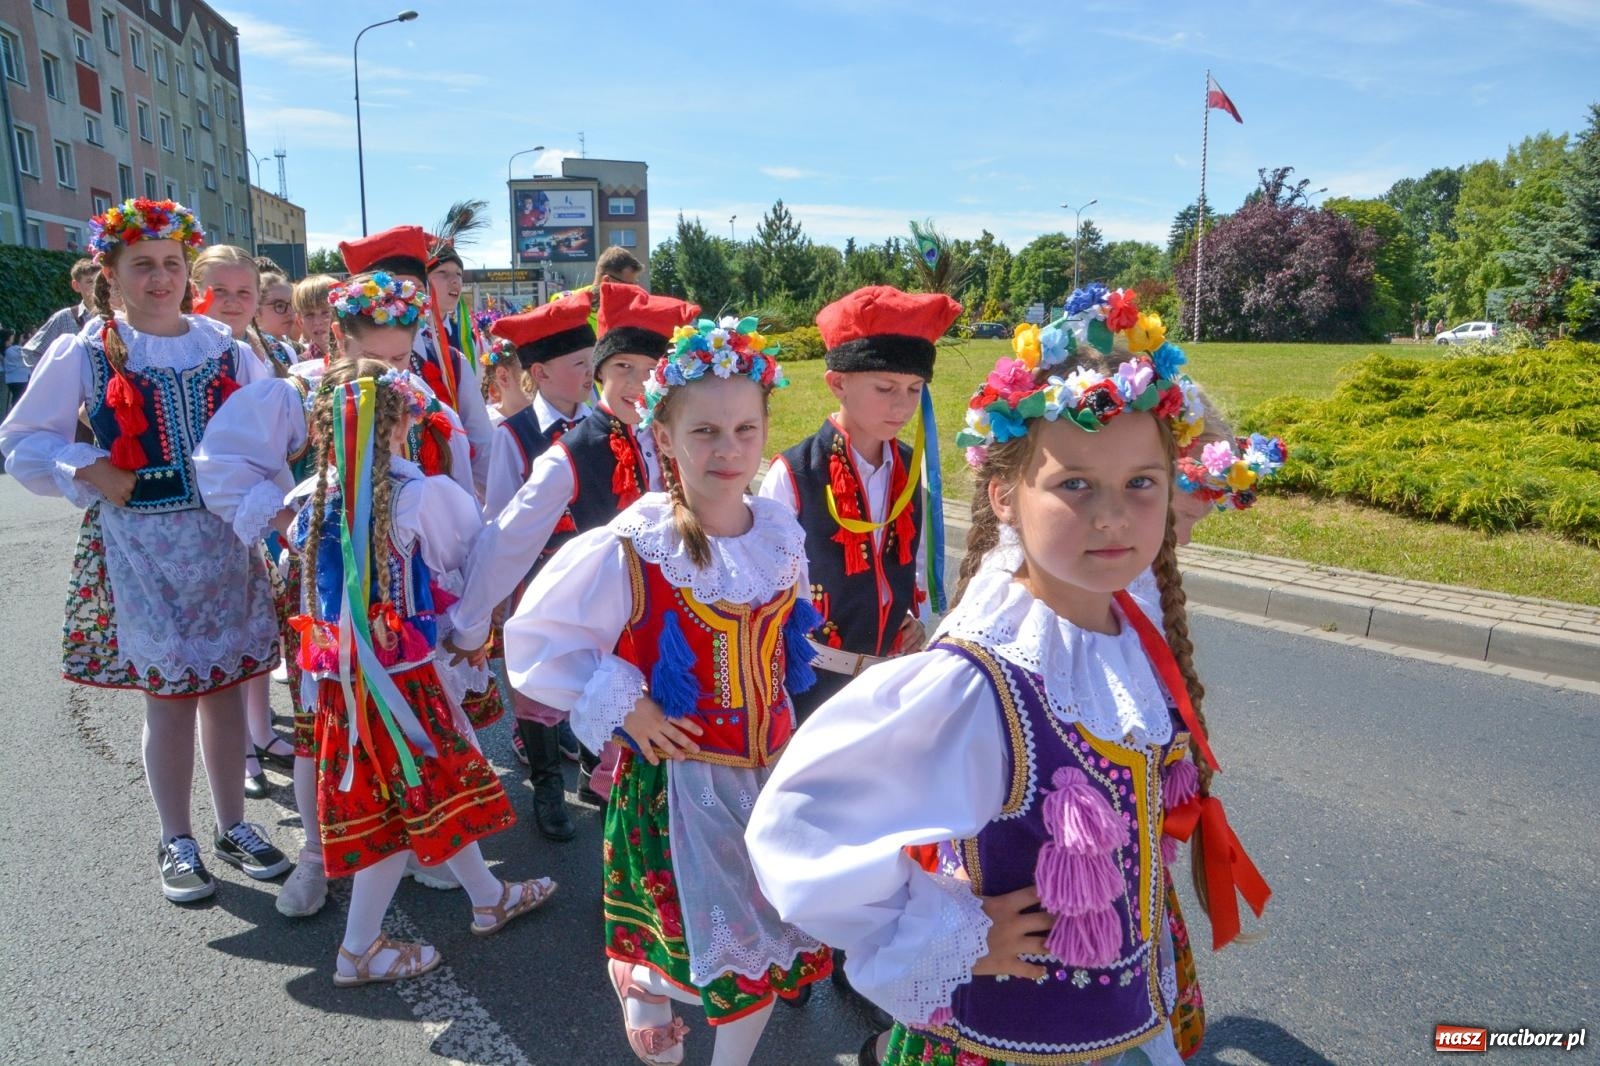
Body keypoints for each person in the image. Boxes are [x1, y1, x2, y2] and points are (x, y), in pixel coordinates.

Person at [746, 288, 1271, 1066]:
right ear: (1004, 497)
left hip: (1114, 1013)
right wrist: (950, 933)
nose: (1113, 516)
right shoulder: (979, 681)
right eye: (1075, 484)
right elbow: (800, 830)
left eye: (1141, 483)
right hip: (1003, 1035)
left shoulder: (1123, 636)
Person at [503, 316, 829, 1066]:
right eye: (705, 431)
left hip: (769, 776)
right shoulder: (639, 544)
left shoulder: (779, 532)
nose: (728, 450)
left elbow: (784, 644)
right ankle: (646, 979)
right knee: (730, 963)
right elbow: (538, 639)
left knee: (760, 952)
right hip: (680, 785)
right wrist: (628, 702)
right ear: (664, 436)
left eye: (745, 430)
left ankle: (661, 994)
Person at [0, 198, 288, 904]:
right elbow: (23, 440)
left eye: (170, 264)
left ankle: (232, 825)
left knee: (225, 690)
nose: (160, 279)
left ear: (188, 272)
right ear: (112, 274)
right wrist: (88, 466)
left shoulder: (226, 348)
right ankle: (175, 837)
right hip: (140, 545)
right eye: (142, 266)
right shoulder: (86, 350)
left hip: (222, 543)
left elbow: (272, 438)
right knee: (169, 697)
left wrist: (272, 508)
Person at [194, 269, 476, 915]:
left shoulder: (414, 398)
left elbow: (454, 476)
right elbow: (222, 465)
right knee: (323, 723)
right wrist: (290, 519)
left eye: (403, 358)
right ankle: (320, 854)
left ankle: (415, 841)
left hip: (401, 589)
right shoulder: (294, 395)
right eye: (378, 356)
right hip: (325, 595)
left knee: (407, 717)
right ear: (338, 341)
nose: (394, 373)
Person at [289, 359, 555, 986]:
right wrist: (470, 631)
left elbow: (310, 595)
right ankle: (358, 949)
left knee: (430, 790)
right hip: (401, 685)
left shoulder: (310, 501)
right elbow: (470, 560)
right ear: (400, 423)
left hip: (343, 685)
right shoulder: (423, 495)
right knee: (405, 802)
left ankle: (488, 896)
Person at [447, 282, 698, 840]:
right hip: (590, 617)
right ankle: (564, 800)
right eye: (624, 368)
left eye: (651, 370)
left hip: (660, 627)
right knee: (597, 737)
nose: (639, 384)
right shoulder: (572, 452)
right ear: (600, 373)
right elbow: (506, 538)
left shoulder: (673, 437)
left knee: (656, 765)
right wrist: (471, 622)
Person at [759, 286, 958, 724]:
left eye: (914, 389)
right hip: (813, 689)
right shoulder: (795, 474)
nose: (902, 405)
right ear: (838, 383)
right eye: (885, 387)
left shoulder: (910, 467)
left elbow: (911, 563)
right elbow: (770, 595)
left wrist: (911, 616)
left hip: (890, 683)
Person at [189, 244, 298, 801]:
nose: (231, 303)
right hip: (192, 516)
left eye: (243, 293)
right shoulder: (181, 350)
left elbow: (270, 447)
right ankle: (241, 754)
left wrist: (286, 512)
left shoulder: (253, 354)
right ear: (195, 292)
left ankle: (259, 732)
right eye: (219, 292)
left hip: (244, 511)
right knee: (212, 647)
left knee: (256, 629)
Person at [20, 257, 100, 370]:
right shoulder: (65, 317)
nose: (97, 286)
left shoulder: (117, 315)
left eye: (100, 280)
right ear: (76, 286)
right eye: (90, 282)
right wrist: (50, 376)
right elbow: (31, 351)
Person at [293, 274, 340, 365]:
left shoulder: (360, 355)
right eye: (309, 315)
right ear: (300, 321)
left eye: (326, 312)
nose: (318, 322)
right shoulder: (300, 366)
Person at [3, 329, 28, 415]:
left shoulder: (9, 350)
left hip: (12, 379)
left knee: (16, 399)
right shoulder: (14, 350)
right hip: (20, 379)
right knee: (18, 400)